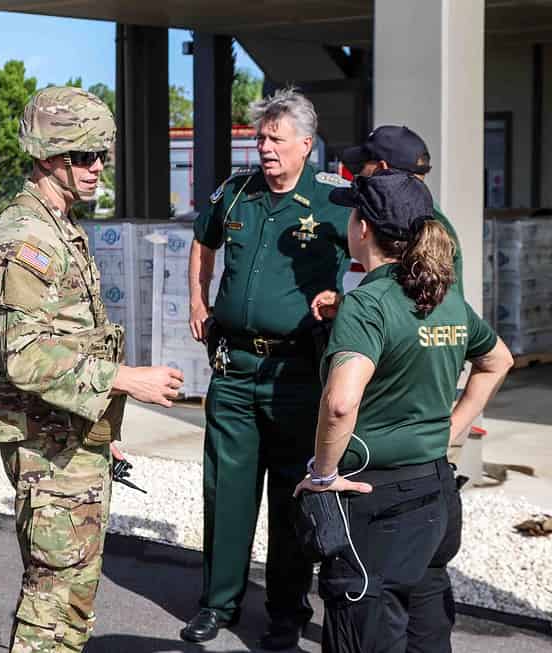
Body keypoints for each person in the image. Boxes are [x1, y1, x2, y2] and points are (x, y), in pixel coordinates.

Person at [0, 86, 184, 652]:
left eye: (102, 156)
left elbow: (70, 339)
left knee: (74, 597)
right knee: (53, 598)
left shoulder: (58, 227)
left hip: (70, 437)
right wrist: (127, 380)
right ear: (48, 156)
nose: (97, 169)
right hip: (47, 446)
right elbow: (25, 355)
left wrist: (102, 431)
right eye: (83, 157)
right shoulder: (26, 240)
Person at [295, 169, 512, 652]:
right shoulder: (444, 298)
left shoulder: (368, 303)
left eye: (351, 213)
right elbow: (498, 360)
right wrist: (449, 429)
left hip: (377, 496)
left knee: (365, 630)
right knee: (427, 629)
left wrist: (323, 476)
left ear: (364, 228)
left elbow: (340, 402)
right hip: (434, 491)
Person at [184, 87, 352, 649]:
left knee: (289, 498)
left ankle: (286, 611)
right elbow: (202, 242)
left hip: (296, 375)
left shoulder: (335, 199)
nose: (265, 148)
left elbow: (386, 247)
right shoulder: (236, 193)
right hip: (233, 369)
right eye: (260, 138)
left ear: (307, 144)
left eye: (276, 140)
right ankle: (218, 603)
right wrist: (196, 302)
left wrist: (348, 308)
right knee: (225, 491)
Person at [311, 125, 462, 321]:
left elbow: (426, 312)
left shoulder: (414, 220)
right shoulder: (418, 213)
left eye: (362, 166)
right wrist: (349, 305)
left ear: (382, 169)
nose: (358, 177)